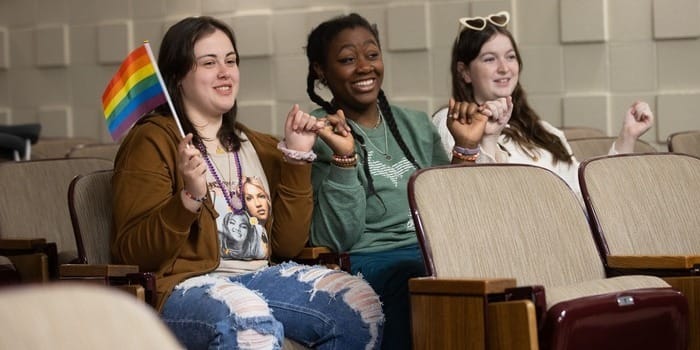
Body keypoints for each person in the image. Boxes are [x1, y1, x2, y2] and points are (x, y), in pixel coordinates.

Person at [111, 16, 384, 349]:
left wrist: (297, 158)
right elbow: (132, 250)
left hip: (259, 279)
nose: (225, 72)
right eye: (209, 63)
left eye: (231, 61)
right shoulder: (152, 141)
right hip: (183, 289)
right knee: (247, 316)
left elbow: (287, 246)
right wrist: (187, 199)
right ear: (179, 76)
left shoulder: (257, 145)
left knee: (358, 307)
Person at [305, 13, 455, 350]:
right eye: (347, 59)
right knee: (414, 276)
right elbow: (333, 237)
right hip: (370, 258)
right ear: (320, 70)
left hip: (432, 250)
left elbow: (451, 211)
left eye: (372, 55)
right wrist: (344, 160)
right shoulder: (318, 133)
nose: (364, 67)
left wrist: (465, 150)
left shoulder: (414, 124)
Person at [433, 11, 654, 194]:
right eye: (489, 59)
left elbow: (588, 195)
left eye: (510, 57)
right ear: (465, 72)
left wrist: (627, 137)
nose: (504, 68)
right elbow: (477, 198)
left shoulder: (543, 131)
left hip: (575, 232)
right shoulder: (454, 123)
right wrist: (489, 139)